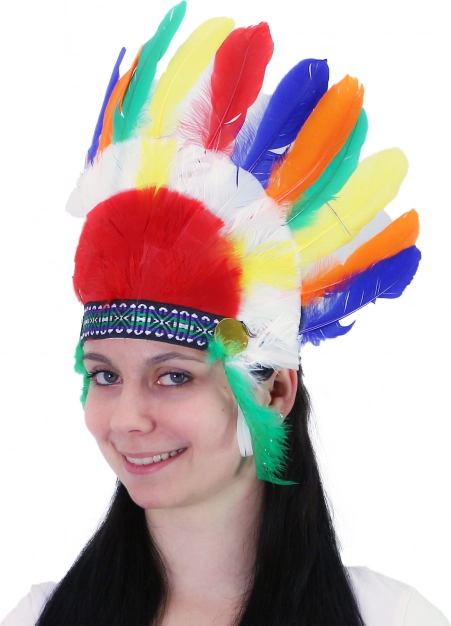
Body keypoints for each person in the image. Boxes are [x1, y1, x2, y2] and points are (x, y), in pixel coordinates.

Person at [1, 2, 449, 625]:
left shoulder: (392, 617)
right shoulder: (38, 617)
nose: (126, 418)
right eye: (104, 374)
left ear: (275, 391)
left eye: (173, 375)